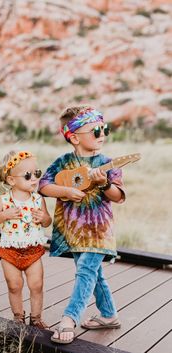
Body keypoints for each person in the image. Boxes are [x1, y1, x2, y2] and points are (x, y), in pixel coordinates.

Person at [39, 105, 125, 344]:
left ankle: (70, 318)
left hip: (99, 228)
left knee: (86, 270)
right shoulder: (63, 161)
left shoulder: (108, 162)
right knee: (93, 273)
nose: (102, 134)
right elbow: (43, 185)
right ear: (74, 137)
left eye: (103, 128)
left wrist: (105, 184)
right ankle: (109, 315)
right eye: (95, 130)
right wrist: (65, 190)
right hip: (73, 229)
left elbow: (118, 196)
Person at [0, 150, 52, 329]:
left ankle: (36, 318)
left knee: (36, 284)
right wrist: (3, 215)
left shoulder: (38, 200)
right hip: (10, 250)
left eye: (37, 173)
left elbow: (47, 221)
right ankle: (18, 316)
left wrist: (43, 218)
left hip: (32, 249)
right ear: (11, 180)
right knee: (14, 285)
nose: (34, 179)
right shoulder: (4, 201)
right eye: (28, 175)